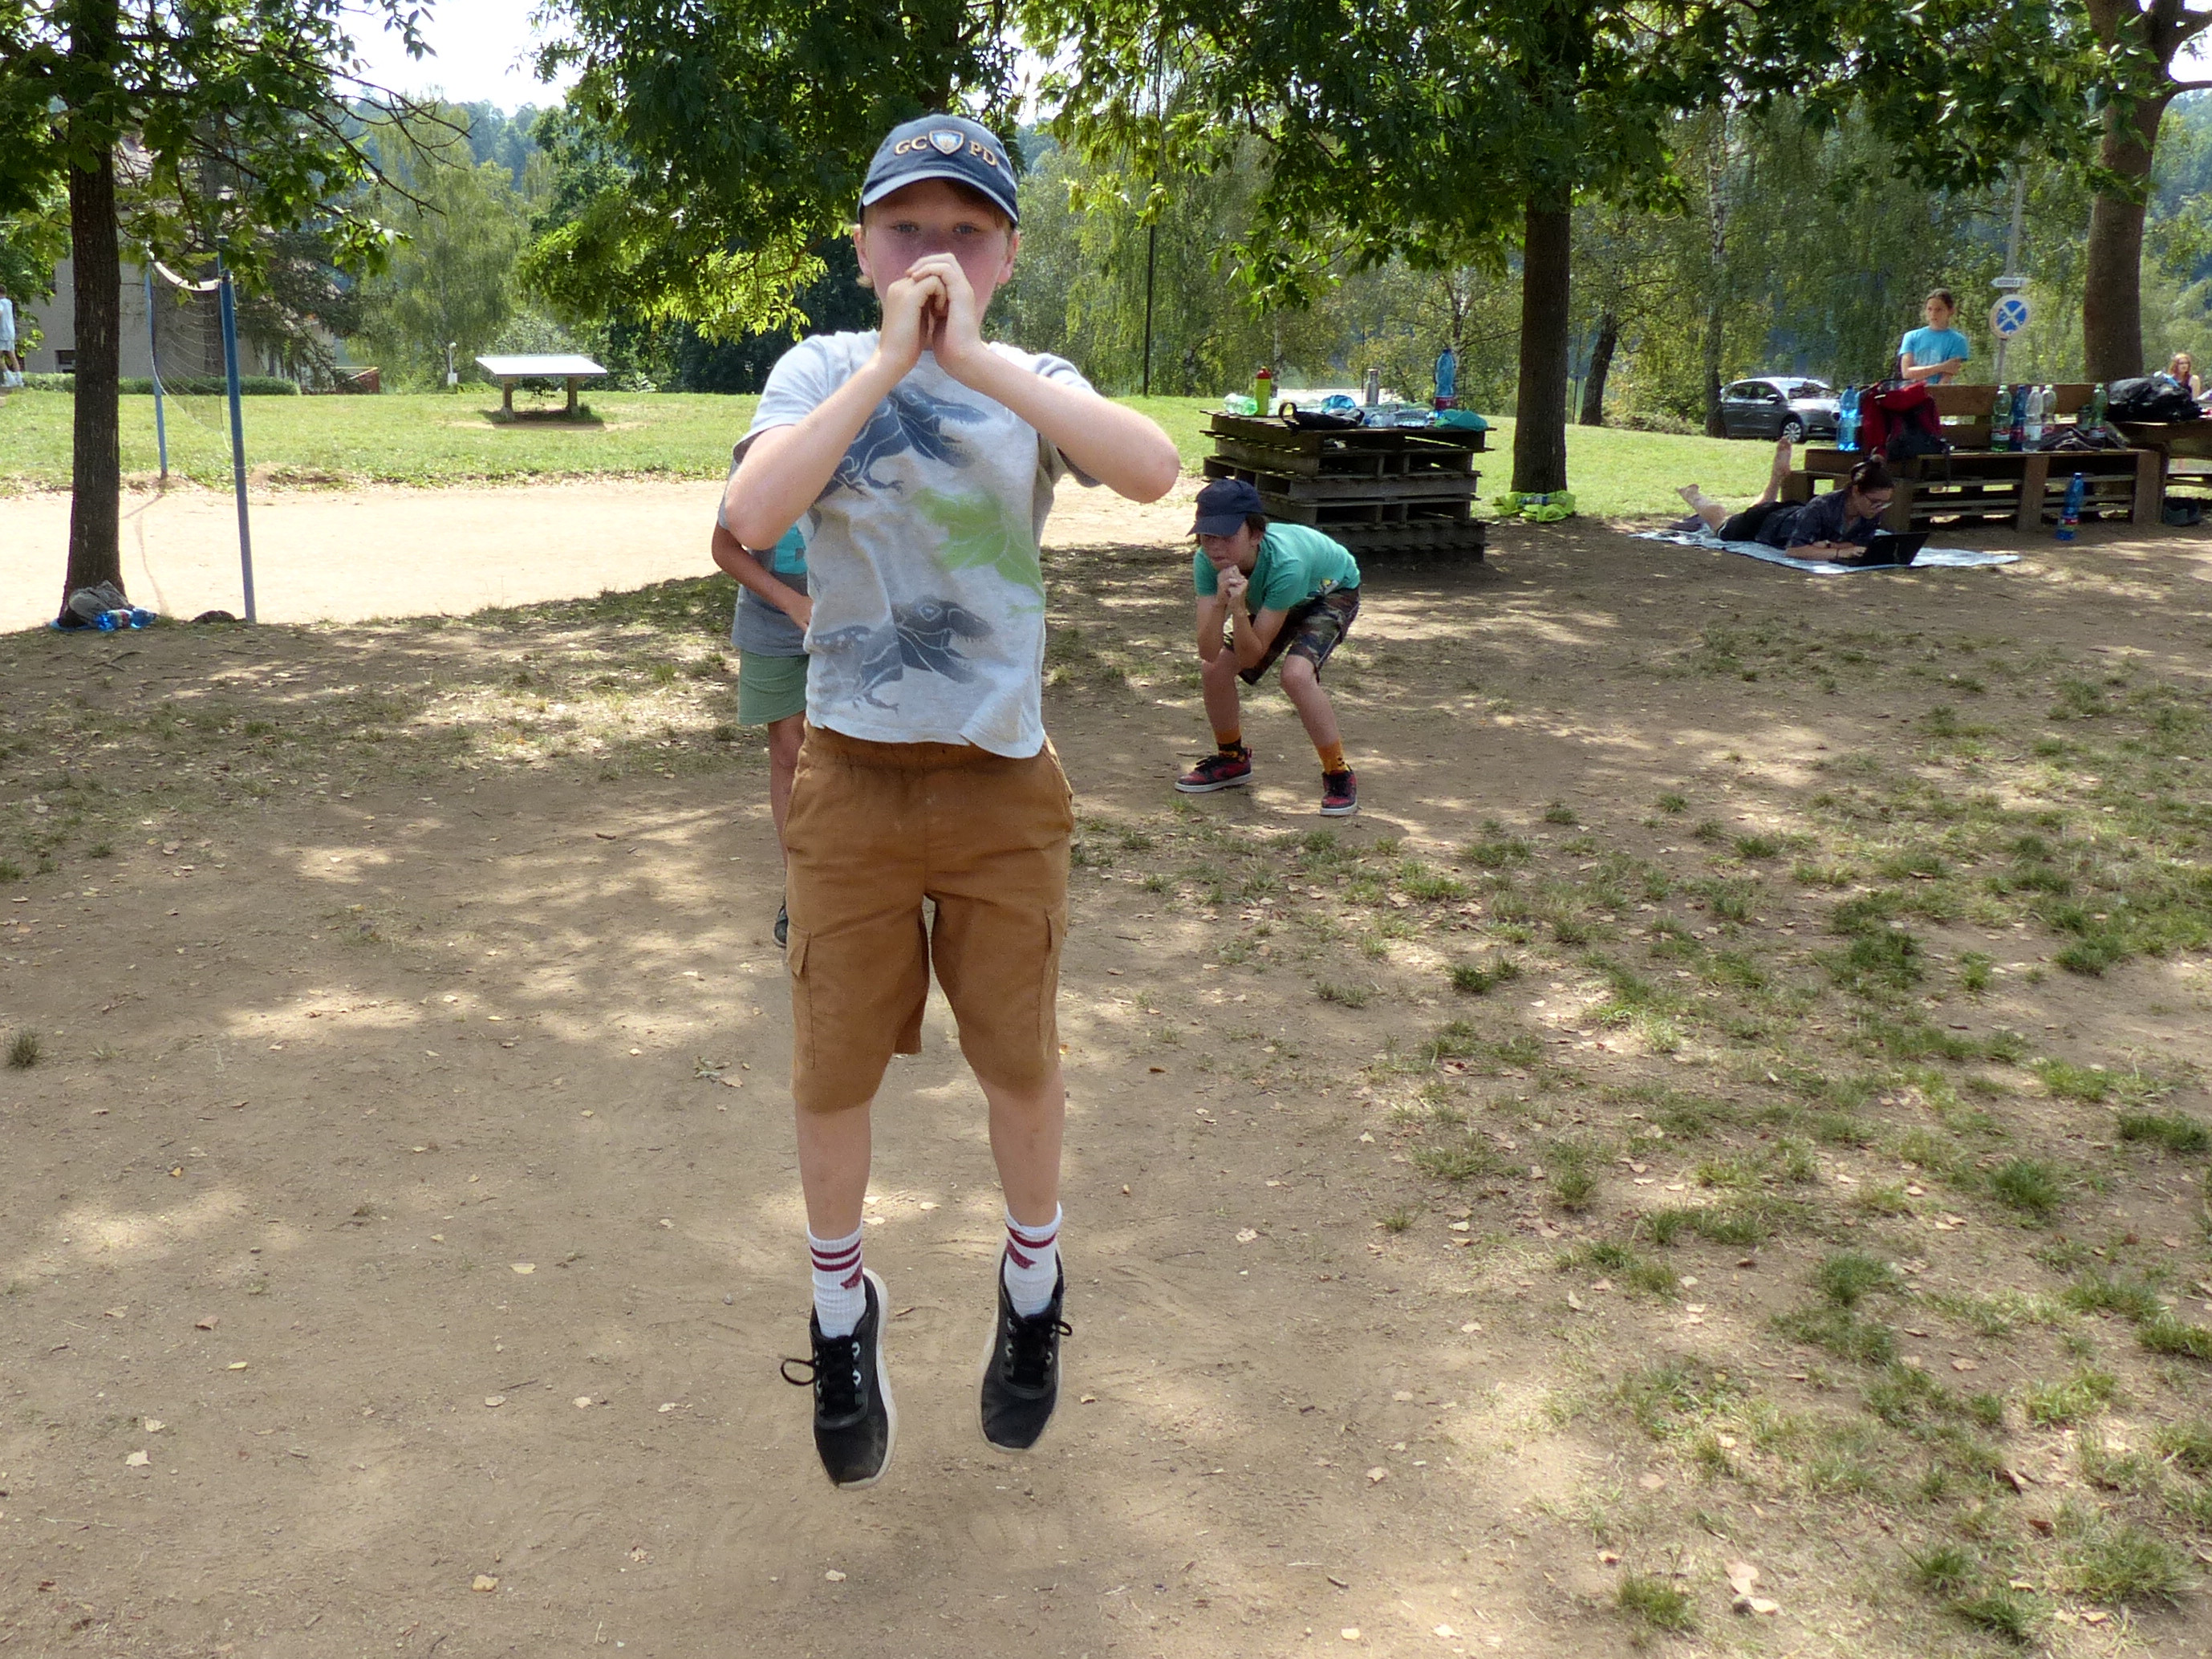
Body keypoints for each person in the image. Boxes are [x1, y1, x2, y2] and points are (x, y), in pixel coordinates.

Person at [722, 112, 1180, 1489]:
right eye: (907, 228)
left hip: (999, 782)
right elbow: (752, 515)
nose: (937, 254)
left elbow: (1152, 470)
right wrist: (885, 368)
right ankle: (838, 1309)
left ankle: (1033, 1282)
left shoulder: (1030, 378)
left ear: (1009, 256)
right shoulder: (818, 367)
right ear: (864, 247)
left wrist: (975, 362)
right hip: (850, 781)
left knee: (1018, 1058)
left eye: (968, 232)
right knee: (831, 1069)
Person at [1174, 477, 1362, 815]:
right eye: (1207, 536)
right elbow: (1208, 651)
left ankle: (1338, 773)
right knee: (1214, 669)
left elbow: (1252, 655)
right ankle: (1232, 759)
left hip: (1328, 591)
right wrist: (1221, 604)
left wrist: (1238, 610)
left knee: (1296, 676)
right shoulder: (1206, 562)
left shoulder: (1286, 565)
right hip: (1276, 597)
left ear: (1256, 535)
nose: (1216, 548)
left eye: (1228, 537)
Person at [710, 519, 810, 946]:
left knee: (864, 750)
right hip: (774, 628)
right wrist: (791, 602)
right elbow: (725, 548)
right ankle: (800, 890)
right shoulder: (754, 468)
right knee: (791, 754)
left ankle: (866, 884)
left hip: (863, 625)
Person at [1676, 440, 1895, 556]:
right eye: (1875, 502)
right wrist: (1838, 552)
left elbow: (1858, 544)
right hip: (1763, 524)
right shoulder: (1824, 506)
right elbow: (1795, 550)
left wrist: (1827, 546)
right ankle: (1693, 496)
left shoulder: (1870, 511)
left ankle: (1776, 478)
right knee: (1720, 523)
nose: (1879, 508)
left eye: (1884, 503)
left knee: (1763, 505)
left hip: (1788, 514)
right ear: (1856, 491)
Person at [1897, 289, 1970, 386]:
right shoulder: (1911, 336)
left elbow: (1947, 377)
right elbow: (1907, 373)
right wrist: (1942, 367)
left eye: (1939, 310)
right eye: (1930, 309)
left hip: (1940, 392)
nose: (1933, 314)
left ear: (1950, 311)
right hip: (1912, 391)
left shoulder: (1958, 340)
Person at [0, 282, 20, 384]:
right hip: (10, 332)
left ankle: (10, 378)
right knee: (12, 356)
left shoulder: (0, 302)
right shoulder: (9, 302)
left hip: (2, 333)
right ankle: (19, 379)